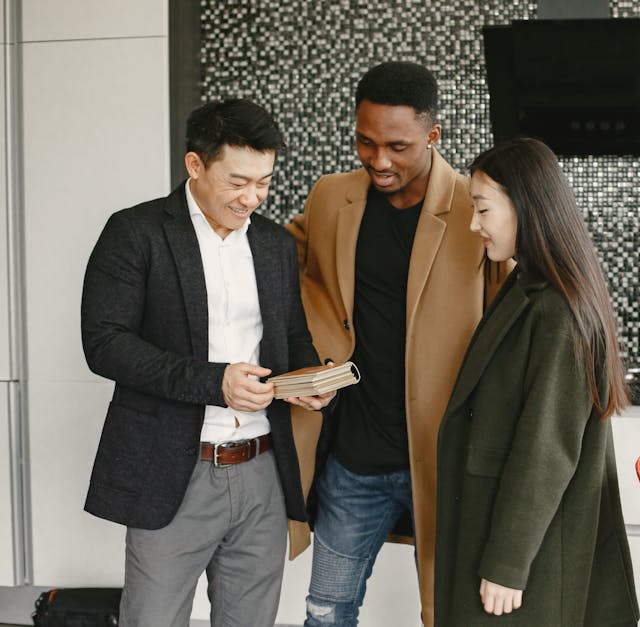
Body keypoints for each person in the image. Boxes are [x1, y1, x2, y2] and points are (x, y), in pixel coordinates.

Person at [80, 98, 334, 627]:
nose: (252, 197)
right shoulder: (137, 231)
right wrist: (215, 382)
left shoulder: (273, 244)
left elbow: (290, 335)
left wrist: (307, 378)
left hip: (263, 468)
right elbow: (104, 343)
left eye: (263, 182)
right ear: (195, 165)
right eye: (237, 182)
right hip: (173, 469)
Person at [285, 61, 509, 626]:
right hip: (351, 461)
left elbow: (510, 319)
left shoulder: (474, 207)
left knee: (447, 615)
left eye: (397, 147)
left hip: (443, 458)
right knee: (325, 613)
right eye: (366, 142)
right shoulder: (331, 196)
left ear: (433, 135)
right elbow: (280, 266)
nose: (379, 160)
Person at [434, 137, 640, 625]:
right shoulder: (529, 284)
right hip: (504, 529)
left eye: (483, 208)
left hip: (527, 551)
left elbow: (545, 451)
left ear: (524, 205)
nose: (474, 224)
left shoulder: (557, 308)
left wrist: (507, 564)